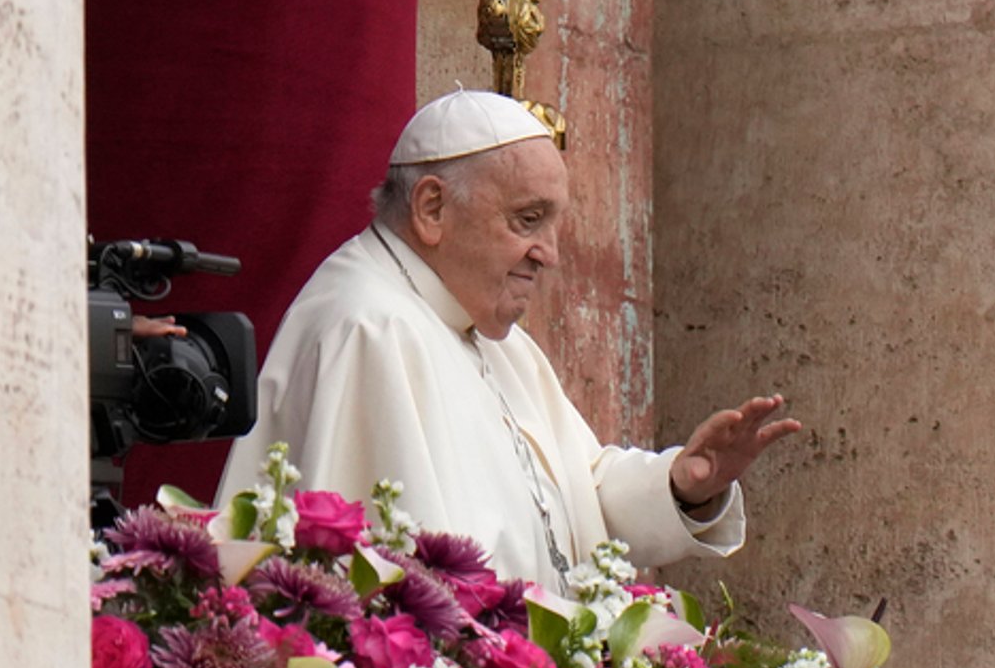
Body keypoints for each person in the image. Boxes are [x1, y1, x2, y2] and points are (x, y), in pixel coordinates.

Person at [216, 89, 799, 586]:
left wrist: (682, 483)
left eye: (553, 224)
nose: (549, 254)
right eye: (528, 220)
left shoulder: (490, 331)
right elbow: (389, 588)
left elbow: (578, 491)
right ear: (432, 207)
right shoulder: (366, 328)